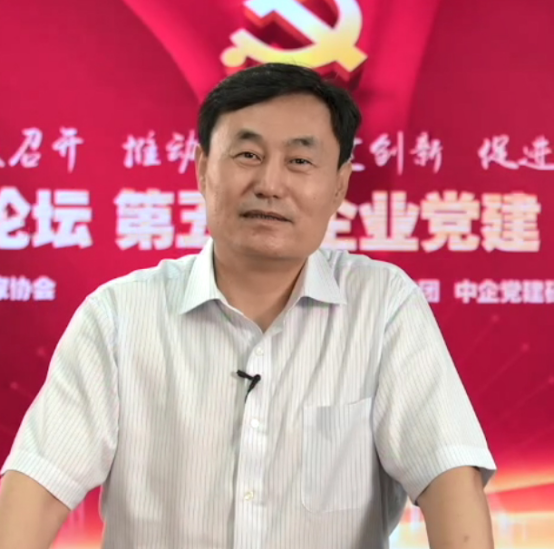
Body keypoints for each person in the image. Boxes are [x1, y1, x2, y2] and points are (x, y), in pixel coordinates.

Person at [0, 62, 496, 549]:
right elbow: (39, 489)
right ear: (202, 169)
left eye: (299, 161)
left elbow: (447, 479)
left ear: (339, 185)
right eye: (248, 155)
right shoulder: (119, 316)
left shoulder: (383, 306)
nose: (270, 184)